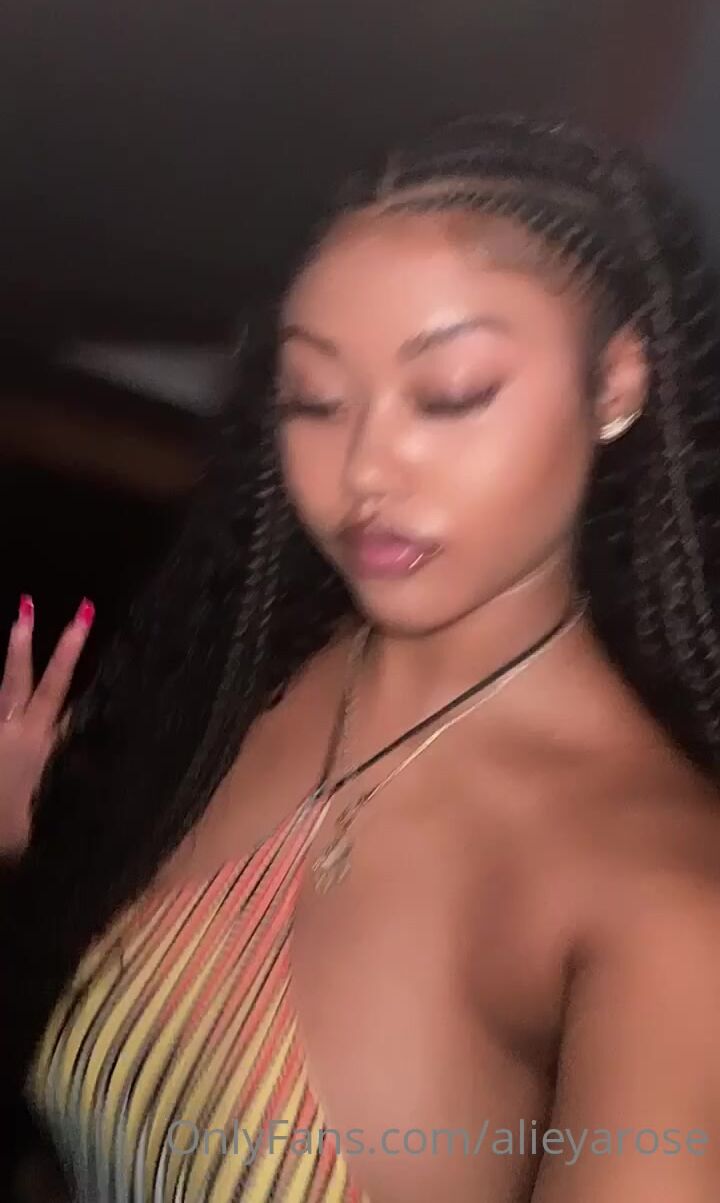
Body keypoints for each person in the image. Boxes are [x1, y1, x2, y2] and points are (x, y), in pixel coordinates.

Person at [3, 113, 720, 1203]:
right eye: (316, 399)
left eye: (451, 393)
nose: (366, 468)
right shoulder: (246, 682)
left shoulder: (664, 911)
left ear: (616, 384)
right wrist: (38, 855)